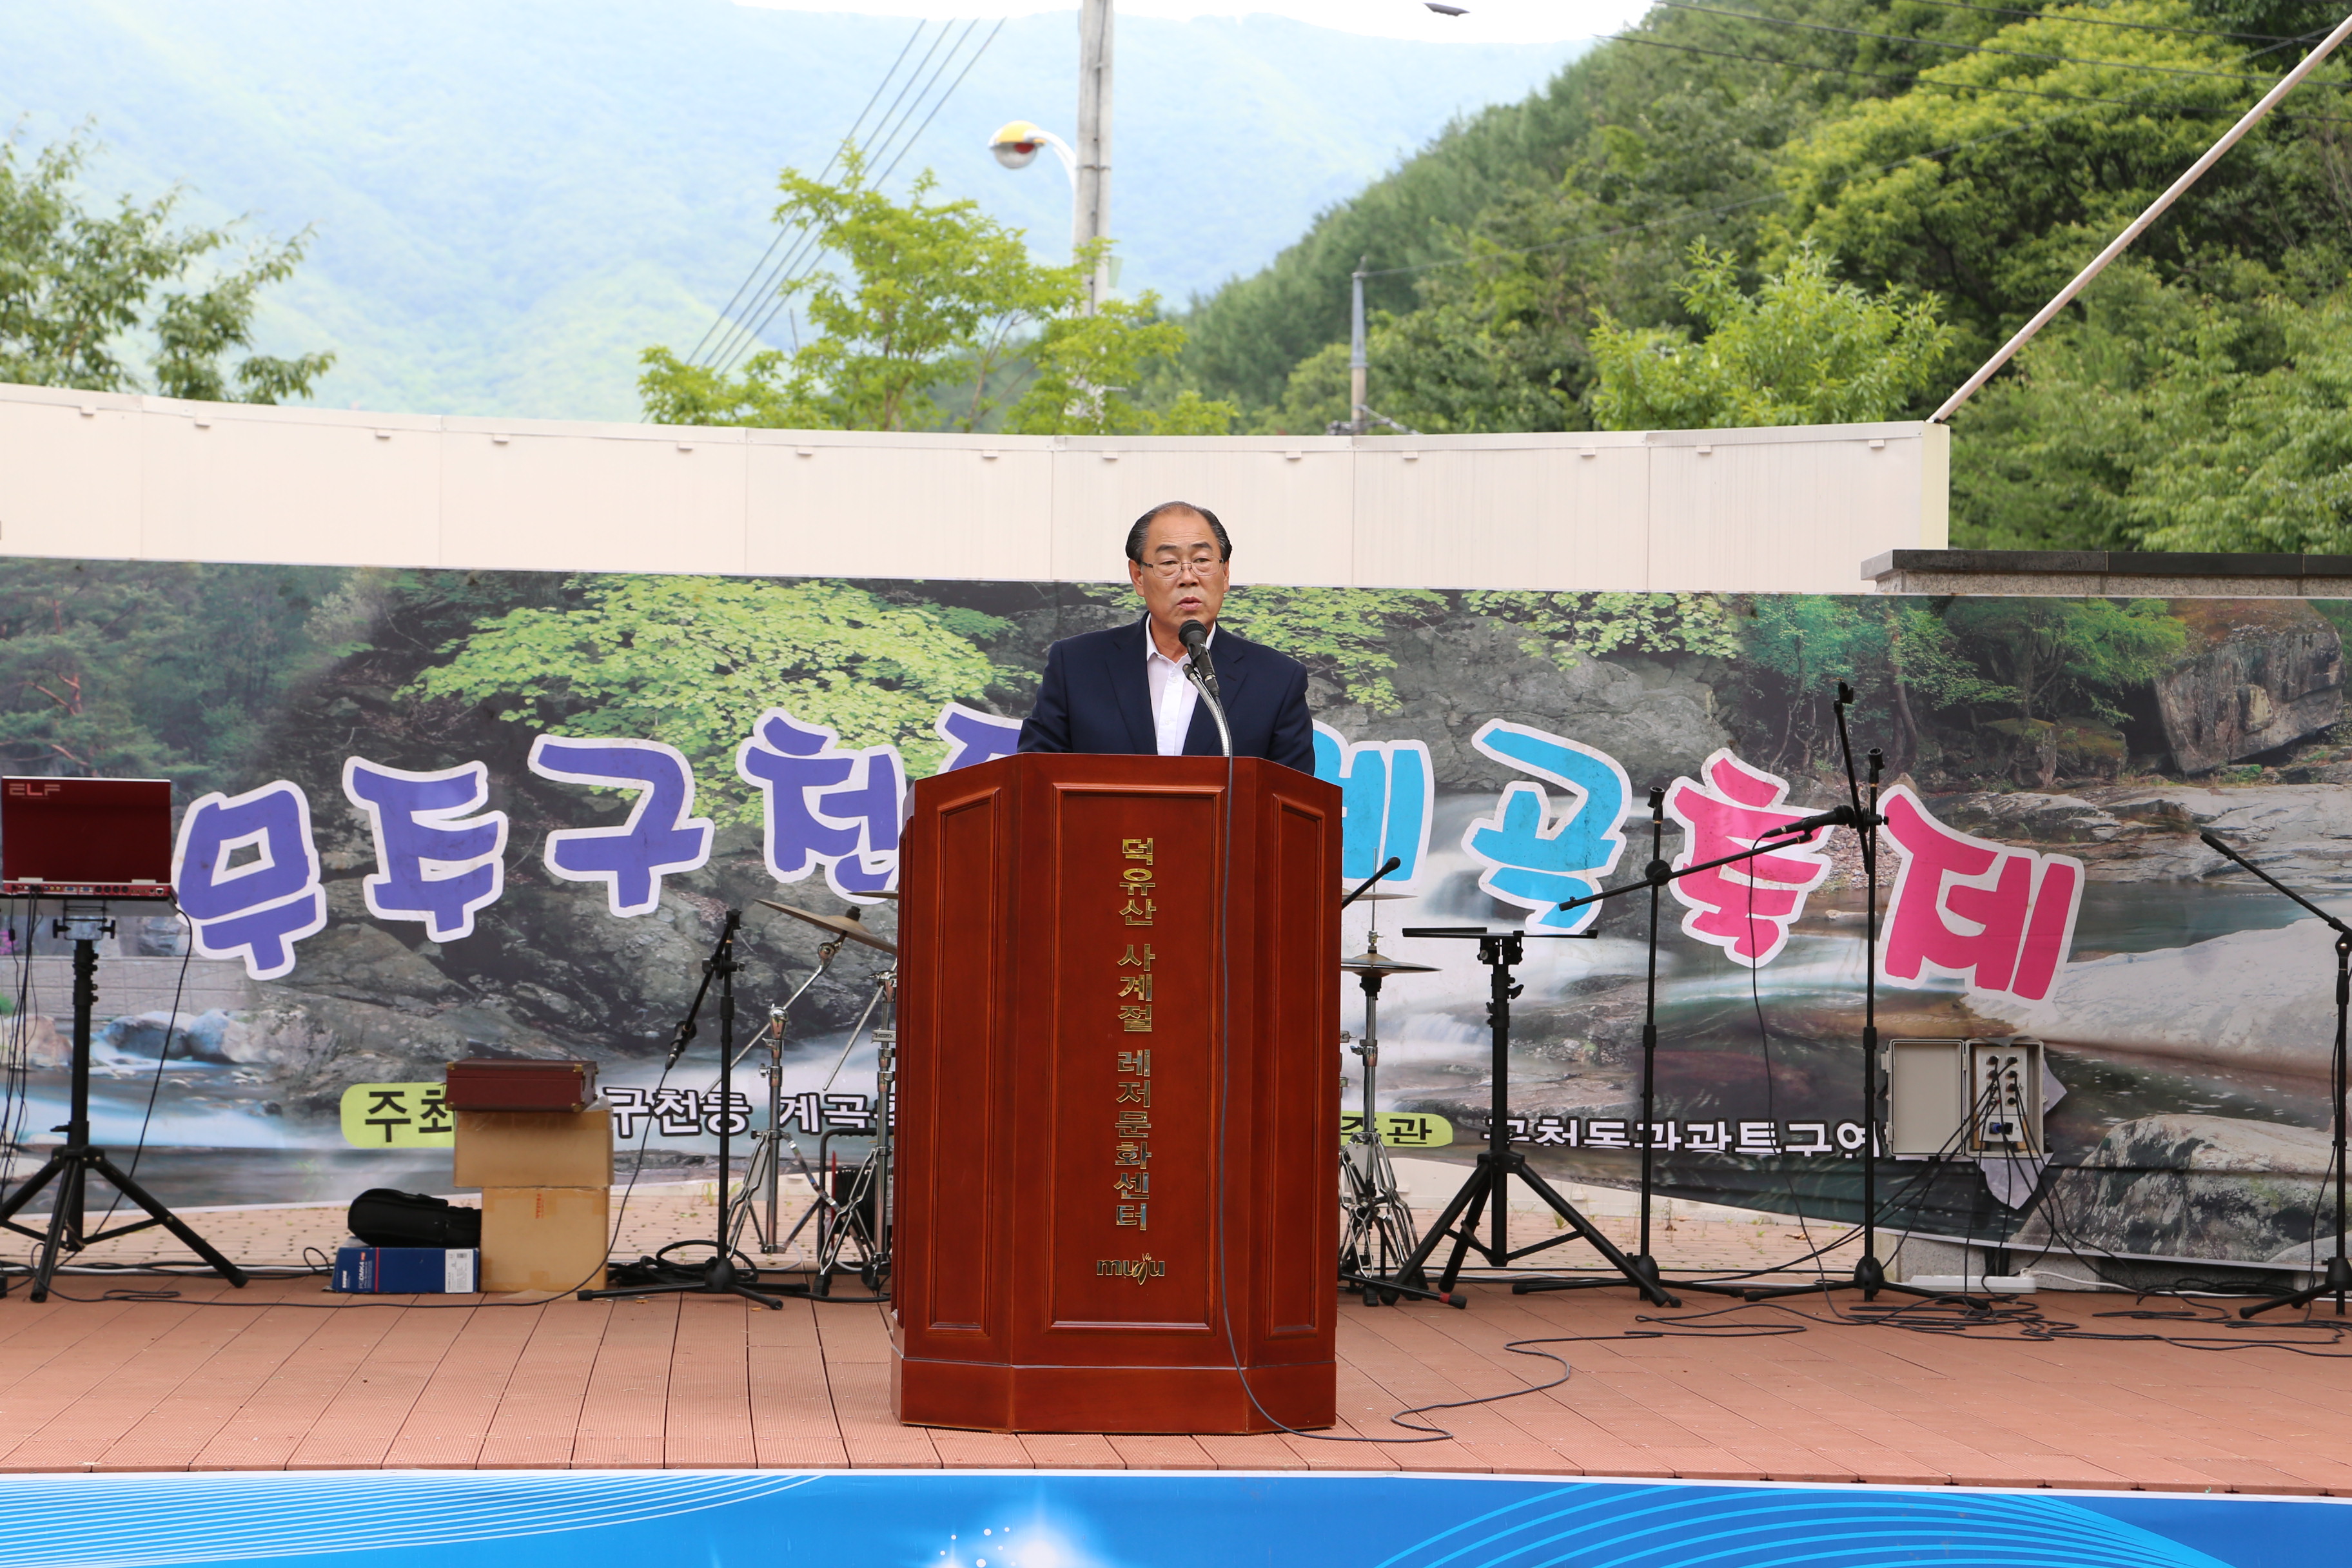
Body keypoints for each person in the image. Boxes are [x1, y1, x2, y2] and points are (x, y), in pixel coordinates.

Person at [1019, 501, 1315, 770]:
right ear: (1138, 577)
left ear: (1225, 574)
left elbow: (1293, 803)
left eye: (1202, 560)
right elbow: (1034, 778)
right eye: (1169, 563)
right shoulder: (1077, 666)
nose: (1188, 577)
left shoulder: (1277, 680)